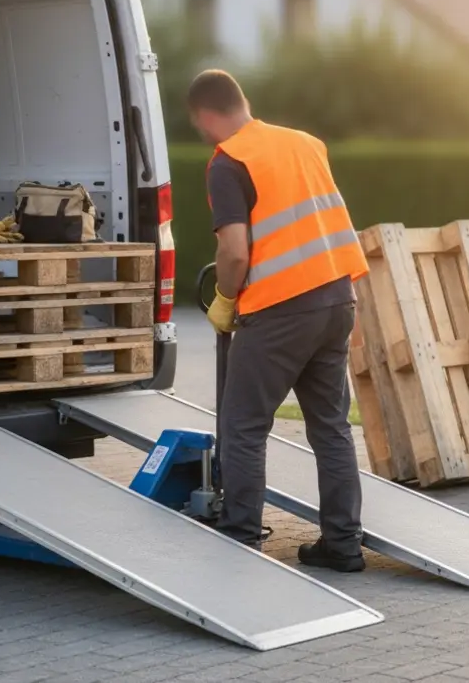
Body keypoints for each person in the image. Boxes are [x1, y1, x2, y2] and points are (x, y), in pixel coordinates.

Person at [188, 69, 370, 573]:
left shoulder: (228, 162)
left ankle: (240, 540)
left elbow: (234, 251)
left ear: (206, 115)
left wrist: (225, 298)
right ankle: (343, 543)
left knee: (243, 424)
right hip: (337, 297)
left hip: (280, 309)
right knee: (331, 427)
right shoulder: (305, 143)